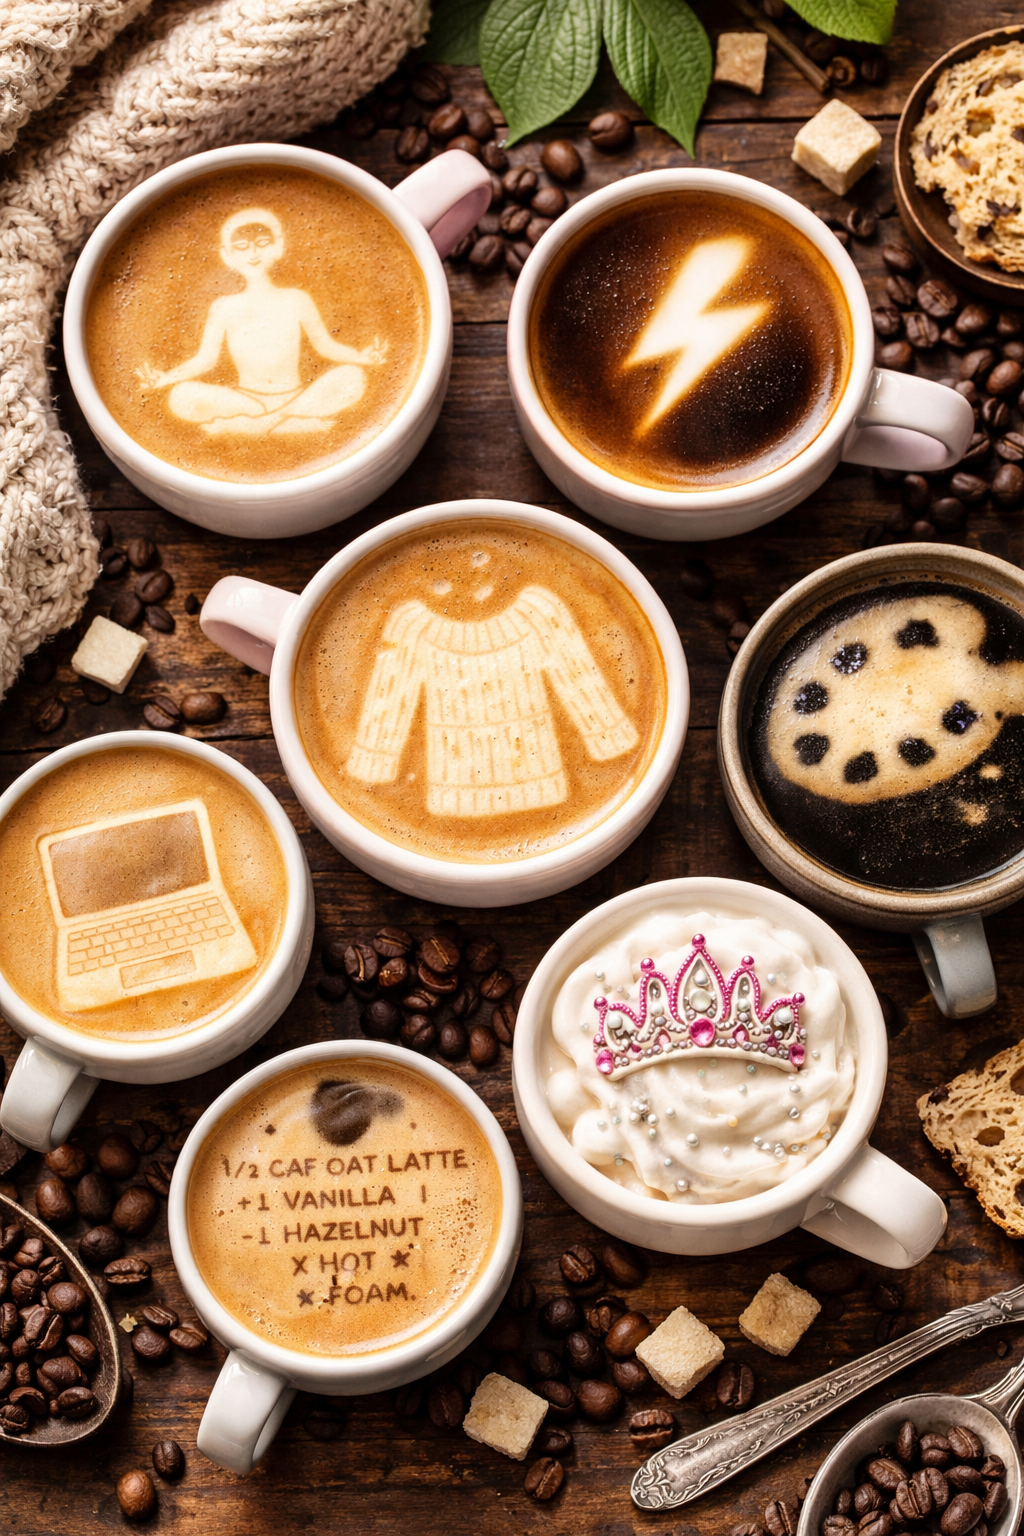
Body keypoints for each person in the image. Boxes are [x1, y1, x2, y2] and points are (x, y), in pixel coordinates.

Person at [137, 207, 387, 435]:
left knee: (353, 376)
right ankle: (288, 421)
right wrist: (165, 379)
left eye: (263, 243)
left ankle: (258, 424)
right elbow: (206, 360)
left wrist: (362, 358)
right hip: (246, 401)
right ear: (227, 255)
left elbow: (325, 346)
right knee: (181, 396)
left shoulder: (296, 299)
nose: (253, 253)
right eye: (242, 247)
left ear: (278, 247)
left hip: (298, 395)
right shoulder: (223, 307)